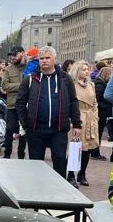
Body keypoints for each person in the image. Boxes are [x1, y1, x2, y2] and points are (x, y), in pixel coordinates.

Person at [15, 46, 82, 178]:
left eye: (47, 58)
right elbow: (20, 102)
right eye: (41, 58)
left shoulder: (65, 79)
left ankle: (59, 192)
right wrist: (25, 123)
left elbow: (73, 101)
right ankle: (37, 192)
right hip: (36, 129)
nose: (44, 61)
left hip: (58, 129)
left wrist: (77, 123)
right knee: (36, 164)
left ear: (54, 59)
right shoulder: (30, 79)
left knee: (60, 161)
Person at [66, 60, 99, 187]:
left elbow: (95, 102)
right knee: (75, 148)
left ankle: (82, 173)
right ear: (77, 71)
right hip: (78, 119)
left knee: (88, 149)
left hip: (91, 120)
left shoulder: (91, 85)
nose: (87, 72)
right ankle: (71, 175)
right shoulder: (72, 85)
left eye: (88, 69)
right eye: (84, 69)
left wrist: (95, 116)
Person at [0, 45, 27, 159]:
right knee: (10, 129)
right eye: (11, 56)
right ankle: (7, 154)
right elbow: (4, 86)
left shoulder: (30, 67)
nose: (13, 58)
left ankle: (21, 154)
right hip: (12, 104)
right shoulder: (8, 69)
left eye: (15, 55)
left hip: (26, 105)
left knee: (24, 131)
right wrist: (22, 86)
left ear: (22, 53)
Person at [93, 65, 113, 160]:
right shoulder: (100, 85)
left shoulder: (99, 83)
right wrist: (107, 106)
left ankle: (94, 151)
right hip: (100, 113)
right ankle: (95, 152)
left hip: (100, 112)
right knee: (98, 133)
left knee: (97, 133)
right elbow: (97, 99)